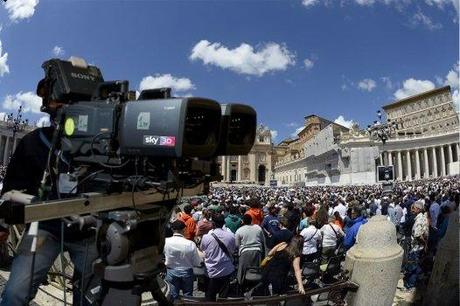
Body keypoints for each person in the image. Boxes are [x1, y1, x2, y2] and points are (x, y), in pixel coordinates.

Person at [0, 77, 98, 306]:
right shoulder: (34, 141)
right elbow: (12, 188)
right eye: (56, 102)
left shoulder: (99, 145)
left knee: (90, 298)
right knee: (16, 291)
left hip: (88, 231)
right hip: (43, 228)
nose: (62, 108)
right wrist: (3, 224)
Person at [164, 220, 203, 300]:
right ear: (184, 229)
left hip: (171, 271)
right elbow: (197, 262)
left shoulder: (166, 242)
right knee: (188, 296)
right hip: (187, 272)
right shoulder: (190, 243)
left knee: (173, 295)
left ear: (172, 229)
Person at [200, 214, 236, 301]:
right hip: (226, 270)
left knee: (209, 297)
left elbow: (202, 249)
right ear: (223, 223)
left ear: (213, 224)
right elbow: (232, 250)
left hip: (211, 271)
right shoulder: (231, 236)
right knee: (223, 297)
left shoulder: (206, 237)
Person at [403, 200, 429, 290]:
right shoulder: (421, 217)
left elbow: (418, 235)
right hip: (419, 247)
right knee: (416, 265)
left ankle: (410, 286)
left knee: (412, 267)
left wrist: (424, 243)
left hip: (416, 248)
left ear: (418, 209)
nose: (411, 209)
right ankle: (419, 278)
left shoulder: (419, 220)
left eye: (413, 208)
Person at [235, 214, 266, 285]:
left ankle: (241, 284)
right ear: (251, 220)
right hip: (257, 251)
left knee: (243, 271)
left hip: (244, 253)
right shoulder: (258, 228)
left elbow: (237, 245)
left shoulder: (239, 230)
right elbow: (262, 240)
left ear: (242, 221)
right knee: (256, 270)